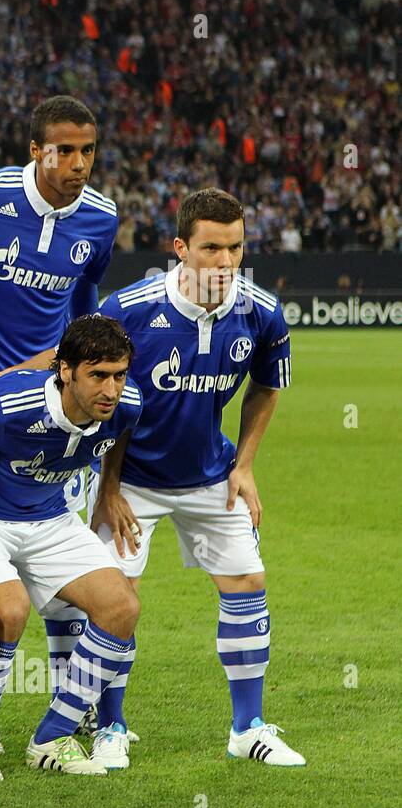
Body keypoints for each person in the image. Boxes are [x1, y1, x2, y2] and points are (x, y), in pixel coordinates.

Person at [89, 187, 304, 766]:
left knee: (247, 587)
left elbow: (266, 388)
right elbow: (104, 402)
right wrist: (107, 489)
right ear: (180, 248)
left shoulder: (261, 312)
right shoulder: (127, 312)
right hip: (131, 481)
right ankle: (110, 727)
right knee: (118, 600)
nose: (226, 262)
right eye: (211, 248)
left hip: (212, 475)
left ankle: (248, 729)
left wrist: (247, 465)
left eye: (235, 248)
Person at [0, 95, 122, 742]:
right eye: (63, 150)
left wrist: (46, 364)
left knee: (60, 564)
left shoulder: (100, 218)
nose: (78, 164)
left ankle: (72, 714)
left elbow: (86, 308)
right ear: (35, 150)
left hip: (55, 408)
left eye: (88, 151)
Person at [0, 315, 143, 779]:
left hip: (52, 519)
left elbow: (118, 438)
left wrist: (109, 492)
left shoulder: (127, 405)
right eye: (98, 375)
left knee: (121, 607)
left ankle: (52, 736)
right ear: (65, 371)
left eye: (119, 375)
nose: (111, 389)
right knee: (9, 612)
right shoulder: (6, 405)